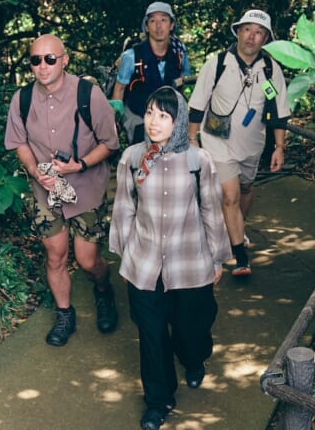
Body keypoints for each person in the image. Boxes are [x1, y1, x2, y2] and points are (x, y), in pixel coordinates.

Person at [109, 86, 231, 430]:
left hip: (190, 263)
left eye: (163, 115)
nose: (153, 122)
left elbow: (211, 211)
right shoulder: (132, 157)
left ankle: (194, 359)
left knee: (191, 331)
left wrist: (218, 259)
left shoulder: (197, 160)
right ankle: (158, 401)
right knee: (151, 335)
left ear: (177, 121)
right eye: (149, 113)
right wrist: (125, 257)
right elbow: (124, 208)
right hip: (144, 263)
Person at [4, 34, 120, 346]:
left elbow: (110, 143)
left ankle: (103, 290)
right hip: (45, 191)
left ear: (64, 60)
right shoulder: (23, 98)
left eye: (50, 59)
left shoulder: (88, 94)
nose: (42, 66)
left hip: (86, 188)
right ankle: (64, 314)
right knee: (55, 255)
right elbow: (19, 143)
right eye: (36, 60)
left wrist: (79, 165)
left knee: (87, 260)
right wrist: (34, 171)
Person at [187, 9, 291, 277]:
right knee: (229, 195)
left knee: (245, 189)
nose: (251, 37)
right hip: (217, 140)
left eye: (258, 32)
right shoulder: (218, 63)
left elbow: (279, 113)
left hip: (253, 144)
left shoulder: (270, 69)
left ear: (265, 38)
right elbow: (197, 104)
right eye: (247, 29)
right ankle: (240, 257)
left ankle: (235, 230)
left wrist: (279, 148)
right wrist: (192, 138)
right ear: (238, 32)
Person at [112, 1, 192, 146]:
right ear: (147, 27)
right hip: (138, 115)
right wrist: (115, 118)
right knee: (142, 157)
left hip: (168, 116)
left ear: (171, 25)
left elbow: (182, 82)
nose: (158, 26)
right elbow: (119, 88)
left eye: (163, 20)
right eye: (153, 21)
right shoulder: (132, 56)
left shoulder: (179, 53)